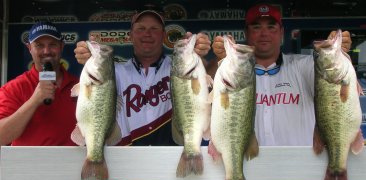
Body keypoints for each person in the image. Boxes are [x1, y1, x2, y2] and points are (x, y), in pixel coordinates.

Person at [211, 3, 353, 146]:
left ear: (281, 32)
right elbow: (206, 90)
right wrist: (221, 60)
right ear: (246, 33)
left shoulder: (304, 65)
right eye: (256, 27)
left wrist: (338, 53)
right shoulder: (231, 72)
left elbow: (336, 78)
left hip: (302, 166)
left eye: (271, 27)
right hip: (250, 166)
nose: (264, 33)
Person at [74, 10, 211, 146]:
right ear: (131, 35)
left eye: (154, 28)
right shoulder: (114, 72)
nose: (147, 33)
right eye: (141, 28)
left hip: (172, 159)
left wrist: (198, 55)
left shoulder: (180, 67)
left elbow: (211, 82)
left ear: (163, 35)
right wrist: (88, 56)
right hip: (126, 159)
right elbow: (96, 76)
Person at [0, 21, 79, 146]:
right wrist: (34, 101)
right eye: (39, 45)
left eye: (52, 44)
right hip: (29, 164)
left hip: (74, 165)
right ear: (30, 48)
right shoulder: (13, 88)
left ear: (62, 46)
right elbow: (2, 137)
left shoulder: (81, 85)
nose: (46, 51)